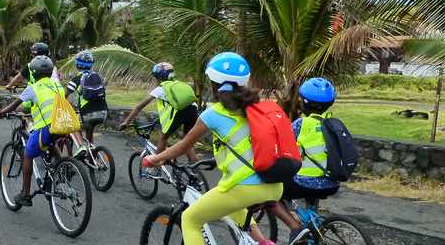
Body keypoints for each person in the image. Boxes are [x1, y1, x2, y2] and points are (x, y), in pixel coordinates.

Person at [142, 52, 281, 245]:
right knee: (233, 207)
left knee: (190, 219)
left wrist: (154, 159)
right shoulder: (260, 107)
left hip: (246, 187)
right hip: (274, 184)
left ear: (216, 85)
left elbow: (183, 146)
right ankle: (262, 242)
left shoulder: (214, 114)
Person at [267, 77, 341, 244]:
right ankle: (313, 229)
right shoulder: (333, 124)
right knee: (315, 185)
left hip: (304, 182)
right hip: (331, 183)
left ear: (304, 102)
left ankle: (296, 228)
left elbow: (283, 148)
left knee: (271, 195)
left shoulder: (300, 124)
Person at [0, 55, 62, 207]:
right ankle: (61, 168)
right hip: (62, 125)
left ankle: (25, 194)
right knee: (51, 143)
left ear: (34, 73)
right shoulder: (58, 85)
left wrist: (1, 112)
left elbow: (14, 105)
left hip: (46, 126)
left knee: (28, 154)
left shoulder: (33, 87)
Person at [119, 62, 200, 162]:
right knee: (187, 142)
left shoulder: (161, 88)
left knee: (163, 138)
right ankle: (196, 173)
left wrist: (126, 122)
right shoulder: (179, 84)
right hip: (193, 110)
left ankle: (156, 164)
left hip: (179, 113)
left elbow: (139, 107)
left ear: (158, 78)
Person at [64, 50, 108, 149]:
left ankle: (81, 148)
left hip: (87, 114)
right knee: (89, 129)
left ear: (77, 64)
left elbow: (65, 95)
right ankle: (92, 151)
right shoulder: (98, 77)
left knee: (72, 126)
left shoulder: (76, 79)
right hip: (103, 112)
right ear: (91, 65)